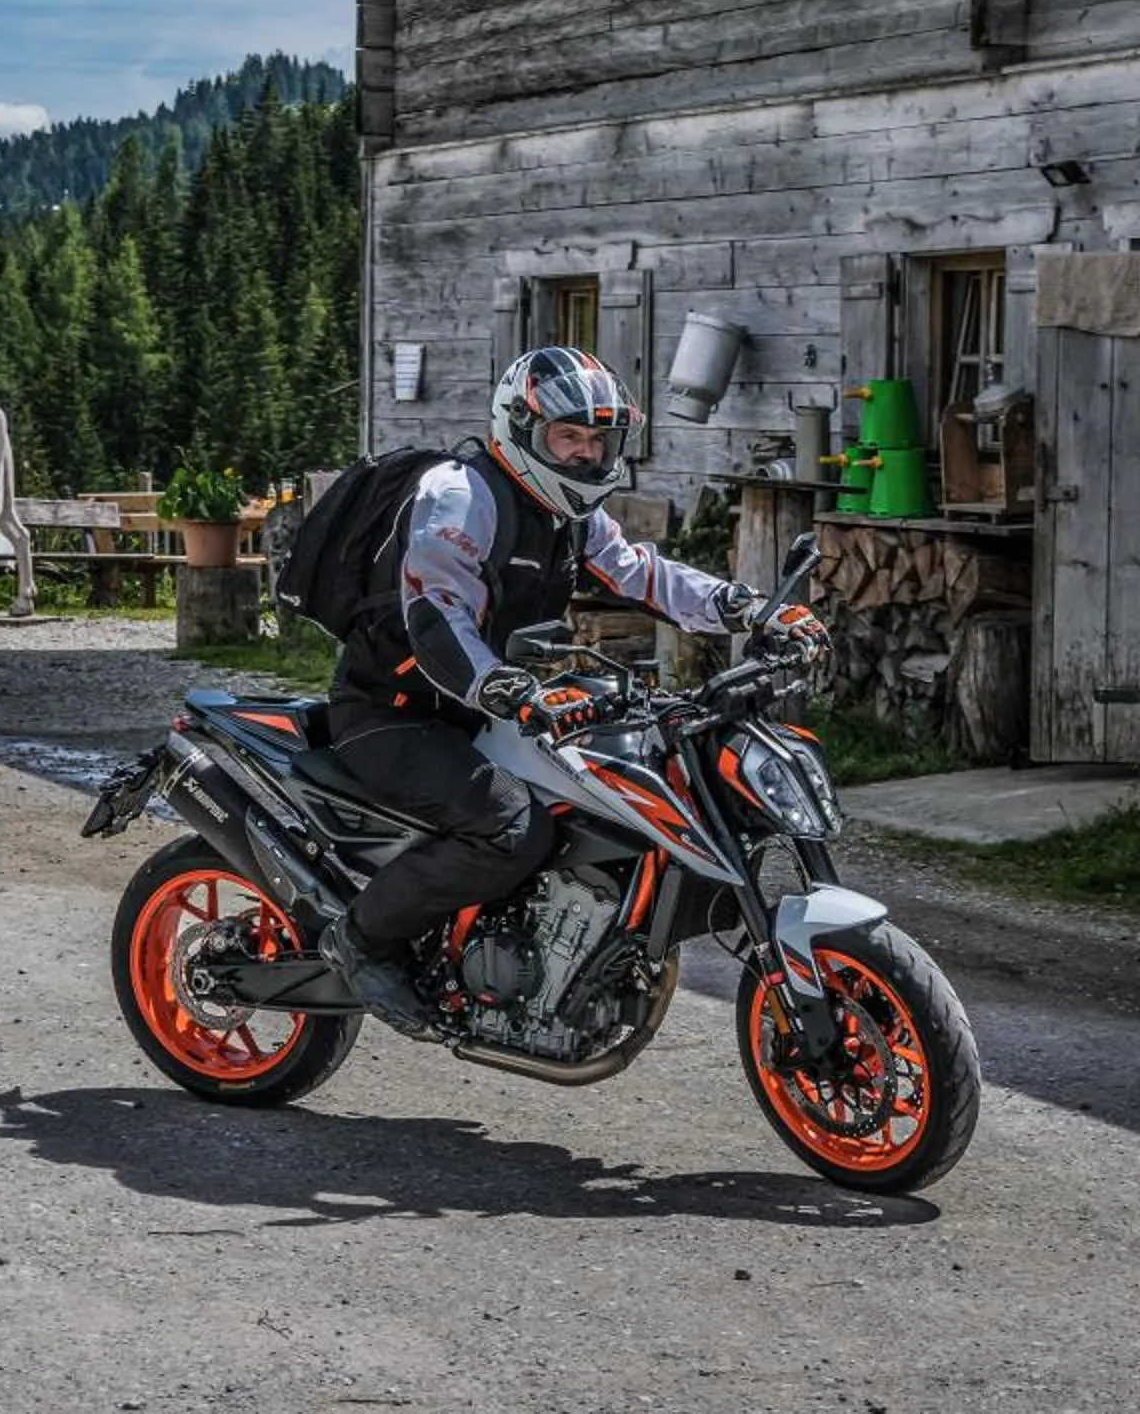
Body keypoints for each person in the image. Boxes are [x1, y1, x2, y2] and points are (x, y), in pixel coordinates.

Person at [315, 345, 833, 1037]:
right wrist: (504, 686)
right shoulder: (461, 495)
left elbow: (639, 572)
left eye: (598, 440)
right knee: (511, 830)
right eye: (568, 436)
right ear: (520, 429)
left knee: (611, 801)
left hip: (488, 709)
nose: (586, 454)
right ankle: (363, 941)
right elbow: (436, 611)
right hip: (395, 711)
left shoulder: (569, 513)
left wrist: (749, 608)